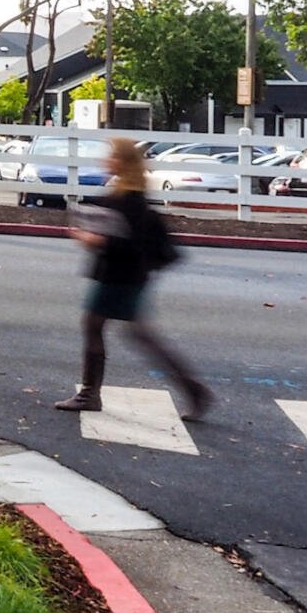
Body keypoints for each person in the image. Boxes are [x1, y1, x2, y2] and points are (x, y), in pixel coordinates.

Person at [54, 136, 211, 420]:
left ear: (124, 162)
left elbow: (129, 243)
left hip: (121, 275)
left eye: (112, 156)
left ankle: (90, 394)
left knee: (100, 327)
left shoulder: (131, 199)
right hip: (123, 275)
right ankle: (194, 390)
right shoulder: (121, 193)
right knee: (133, 333)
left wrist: (94, 240)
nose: (106, 160)